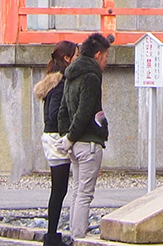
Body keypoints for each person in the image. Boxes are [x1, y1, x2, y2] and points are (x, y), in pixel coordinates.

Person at [58, 32, 112, 242]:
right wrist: (71, 137)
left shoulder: (71, 75)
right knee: (85, 193)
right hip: (88, 142)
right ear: (98, 55)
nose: (107, 61)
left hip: (74, 143)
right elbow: (85, 110)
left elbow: (63, 110)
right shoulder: (90, 77)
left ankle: (75, 231)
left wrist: (67, 137)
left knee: (77, 191)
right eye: (106, 57)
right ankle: (79, 235)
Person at [33, 41, 77, 246]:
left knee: (59, 189)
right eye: (75, 56)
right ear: (67, 59)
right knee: (60, 189)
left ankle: (52, 234)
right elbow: (54, 114)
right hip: (55, 138)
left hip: (49, 137)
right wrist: (66, 131)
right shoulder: (61, 82)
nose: (77, 59)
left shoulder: (52, 81)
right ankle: (51, 236)